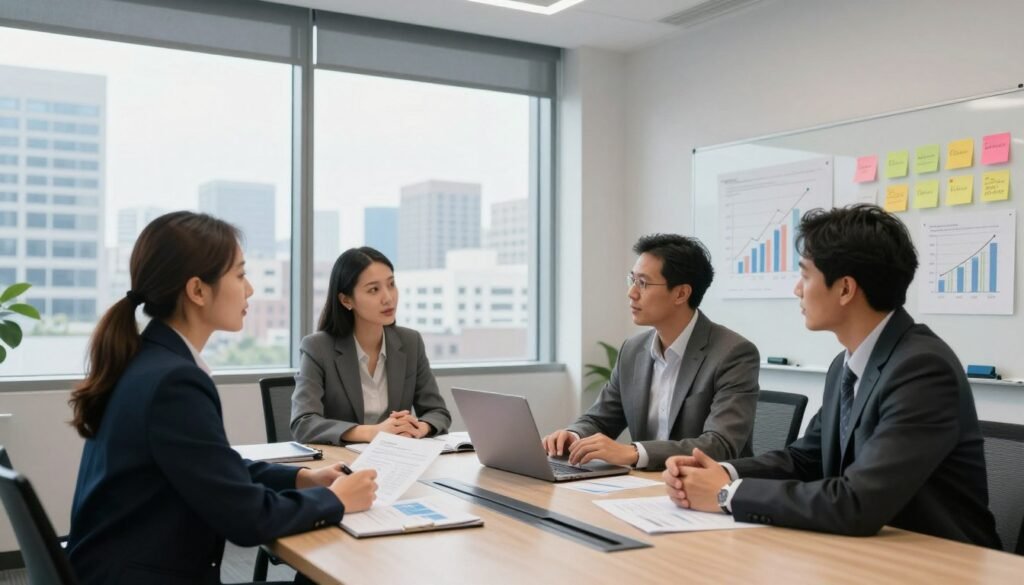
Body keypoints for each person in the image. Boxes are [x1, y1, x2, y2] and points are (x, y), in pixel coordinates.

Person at [662, 204, 1002, 548]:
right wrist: (726, 472)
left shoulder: (922, 370)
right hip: (871, 550)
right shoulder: (847, 364)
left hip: (942, 560)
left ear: (844, 289)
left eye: (805, 275)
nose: (797, 289)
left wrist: (727, 494)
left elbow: (858, 502)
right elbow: (805, 458)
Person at [66, 211, 378, 585]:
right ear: (197, 290)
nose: (249, 289)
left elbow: (212, 468)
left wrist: (301, 479)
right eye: (240, 274)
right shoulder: (174, 382)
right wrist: (337, 501)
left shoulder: (148, 360)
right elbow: (247, 519)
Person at [542, 234, 760, 471]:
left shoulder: (733, 353)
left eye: (643, 283)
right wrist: (573, 436)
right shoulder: (632, 350)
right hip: (643, 487)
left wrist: (634, 452)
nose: (631, 293)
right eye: (632, 280)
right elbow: (601, 418)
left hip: (703, 491)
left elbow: (720, 445)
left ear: (681, 294)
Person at [292, 247, 451, 444]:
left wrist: (419, 427)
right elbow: (303, 423)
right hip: (339, 465)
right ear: (346, 300)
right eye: (374, 289)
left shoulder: (411, 342)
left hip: (396, 459)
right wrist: (371, 432)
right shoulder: (318, 348)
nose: (388, 297)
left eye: (391, 284)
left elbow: (437, 412)